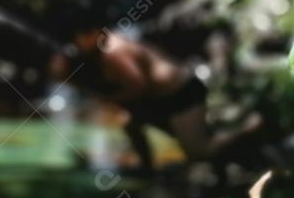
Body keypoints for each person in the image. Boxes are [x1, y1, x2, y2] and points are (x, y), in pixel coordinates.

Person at [49, 27, 262, 171]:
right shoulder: (98, 49)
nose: (78, 42)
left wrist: (111, 99)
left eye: (82, 36)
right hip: (160, 98)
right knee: (130, 123)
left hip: (181, 94)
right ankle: (147, 169)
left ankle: (252, 127)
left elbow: (138, 85)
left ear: (94, 33)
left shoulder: (114, 51)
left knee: (199, 151)